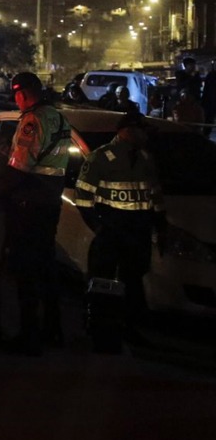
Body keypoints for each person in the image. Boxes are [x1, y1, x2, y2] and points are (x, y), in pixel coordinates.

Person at [0, 72, 73, 355]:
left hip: (29, 204)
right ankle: (54, 329)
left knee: (26, 270)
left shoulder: (32, 120)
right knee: (47, 268)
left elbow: (19, 166)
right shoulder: (59, 117)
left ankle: (29, 336)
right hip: (50, 201)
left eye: (16, 94)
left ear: (22, 94)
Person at [73, 113, 161, 342]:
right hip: (112, 232)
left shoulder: (145, 158)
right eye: (143, 131)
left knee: (132, 282)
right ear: (129, 130)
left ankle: (129, 328)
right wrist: (100, 228)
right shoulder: (101, 158)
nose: (147, 136)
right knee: (104, 283)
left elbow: (154, 195)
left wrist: (157, 224)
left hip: (137, 232)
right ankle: (100, 329)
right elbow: (83, 198)